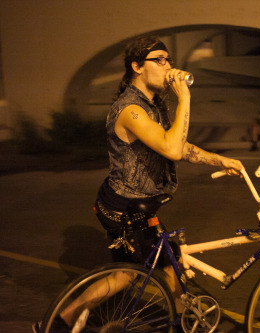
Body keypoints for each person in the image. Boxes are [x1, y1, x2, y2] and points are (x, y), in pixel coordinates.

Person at [33, 35, 244, 333]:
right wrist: (184, 98)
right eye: (159, 59)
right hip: (123, 207)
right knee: (126, 276)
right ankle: (59, 322)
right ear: (137, 66)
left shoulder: (152, 104)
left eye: (168, 59)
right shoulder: (131, 110)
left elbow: (175, 144)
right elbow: (172, 149)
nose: (168, 65)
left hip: (139, 203)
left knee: (165, 259)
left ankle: (183, 315)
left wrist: (218, 160)